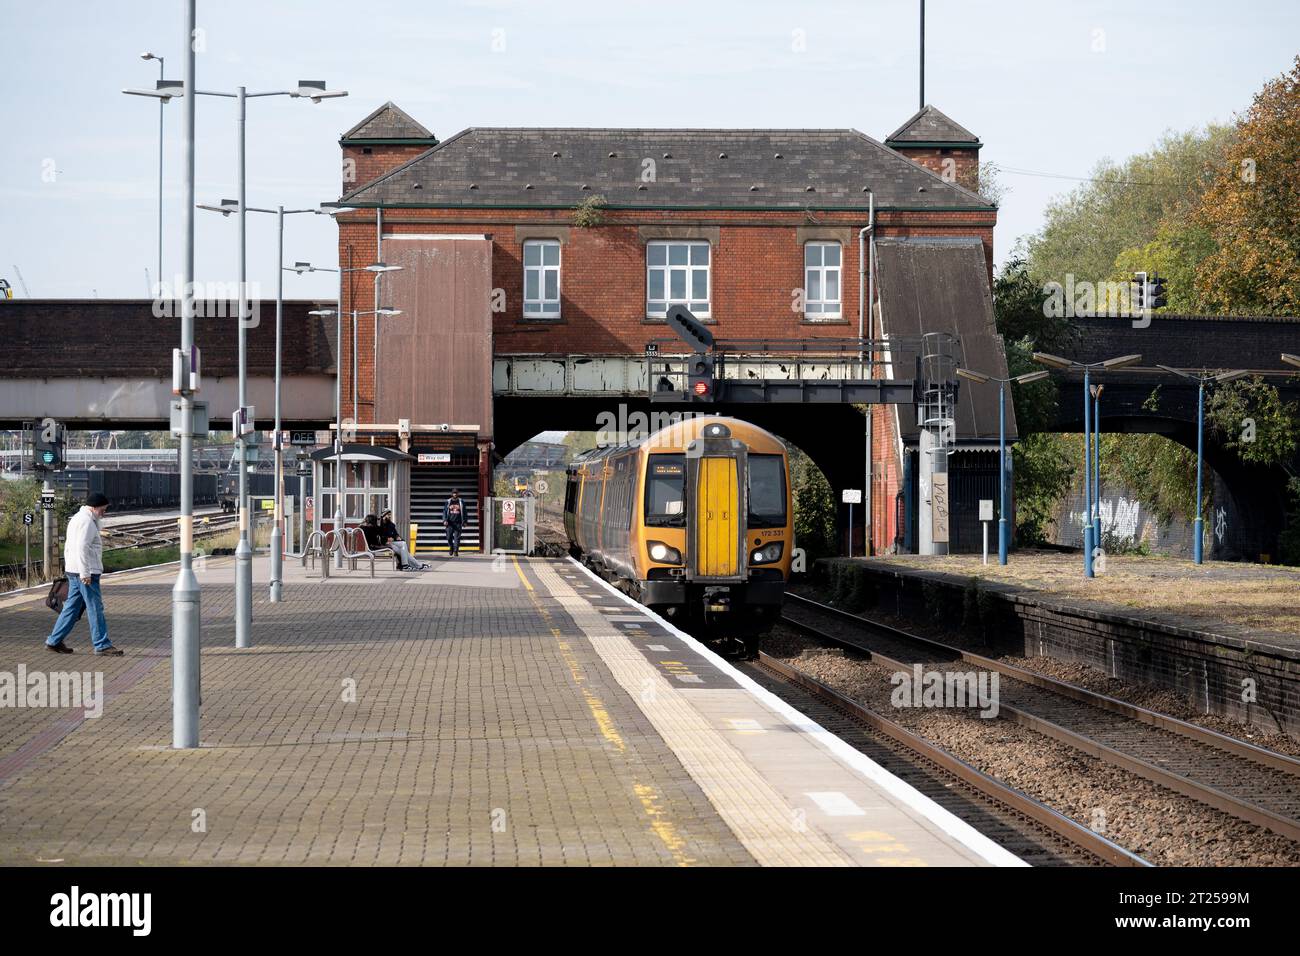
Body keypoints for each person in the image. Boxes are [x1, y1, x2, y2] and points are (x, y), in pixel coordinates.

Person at [46, 493, 122, 656]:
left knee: (72, 608)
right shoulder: (87, 522)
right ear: (94, 508)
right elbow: (82, 548)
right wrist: (85, 573)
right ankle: (102, 645)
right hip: (86, 573)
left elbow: (69, 546)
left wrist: (74, 569)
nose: (104, 512)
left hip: (74, 570)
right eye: (103, 509)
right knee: (95, 608)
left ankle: (54, 641)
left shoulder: (77, 519)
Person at [443, 490, 466, 557]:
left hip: (458, 523)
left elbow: (464, 512)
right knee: (448, 537)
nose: (455, 494)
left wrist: (465, 521)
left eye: (456, 493)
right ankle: (451, 547)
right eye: (454, 493)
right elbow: (444, 511)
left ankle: (456, 551)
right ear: (452, 494)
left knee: (457, 538)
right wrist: (444, 520)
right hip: (449, 523)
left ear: (458, 494)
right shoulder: (448, 502)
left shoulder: (461, 502)